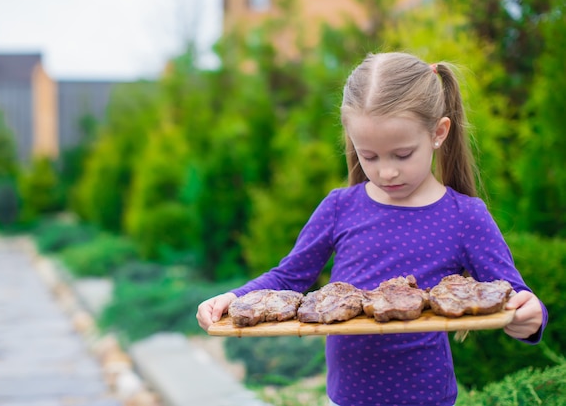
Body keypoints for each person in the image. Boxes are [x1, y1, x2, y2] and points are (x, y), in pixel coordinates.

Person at [196, 52, 548, 406]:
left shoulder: (464, 216)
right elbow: (289, 279)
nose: (386, 172)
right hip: (346, 399)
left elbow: (512, 294)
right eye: (370, 156)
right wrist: (235, 298)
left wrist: (530, 317)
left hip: (428, 400)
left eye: (402, 154)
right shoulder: (339, 207)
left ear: (438, 133)